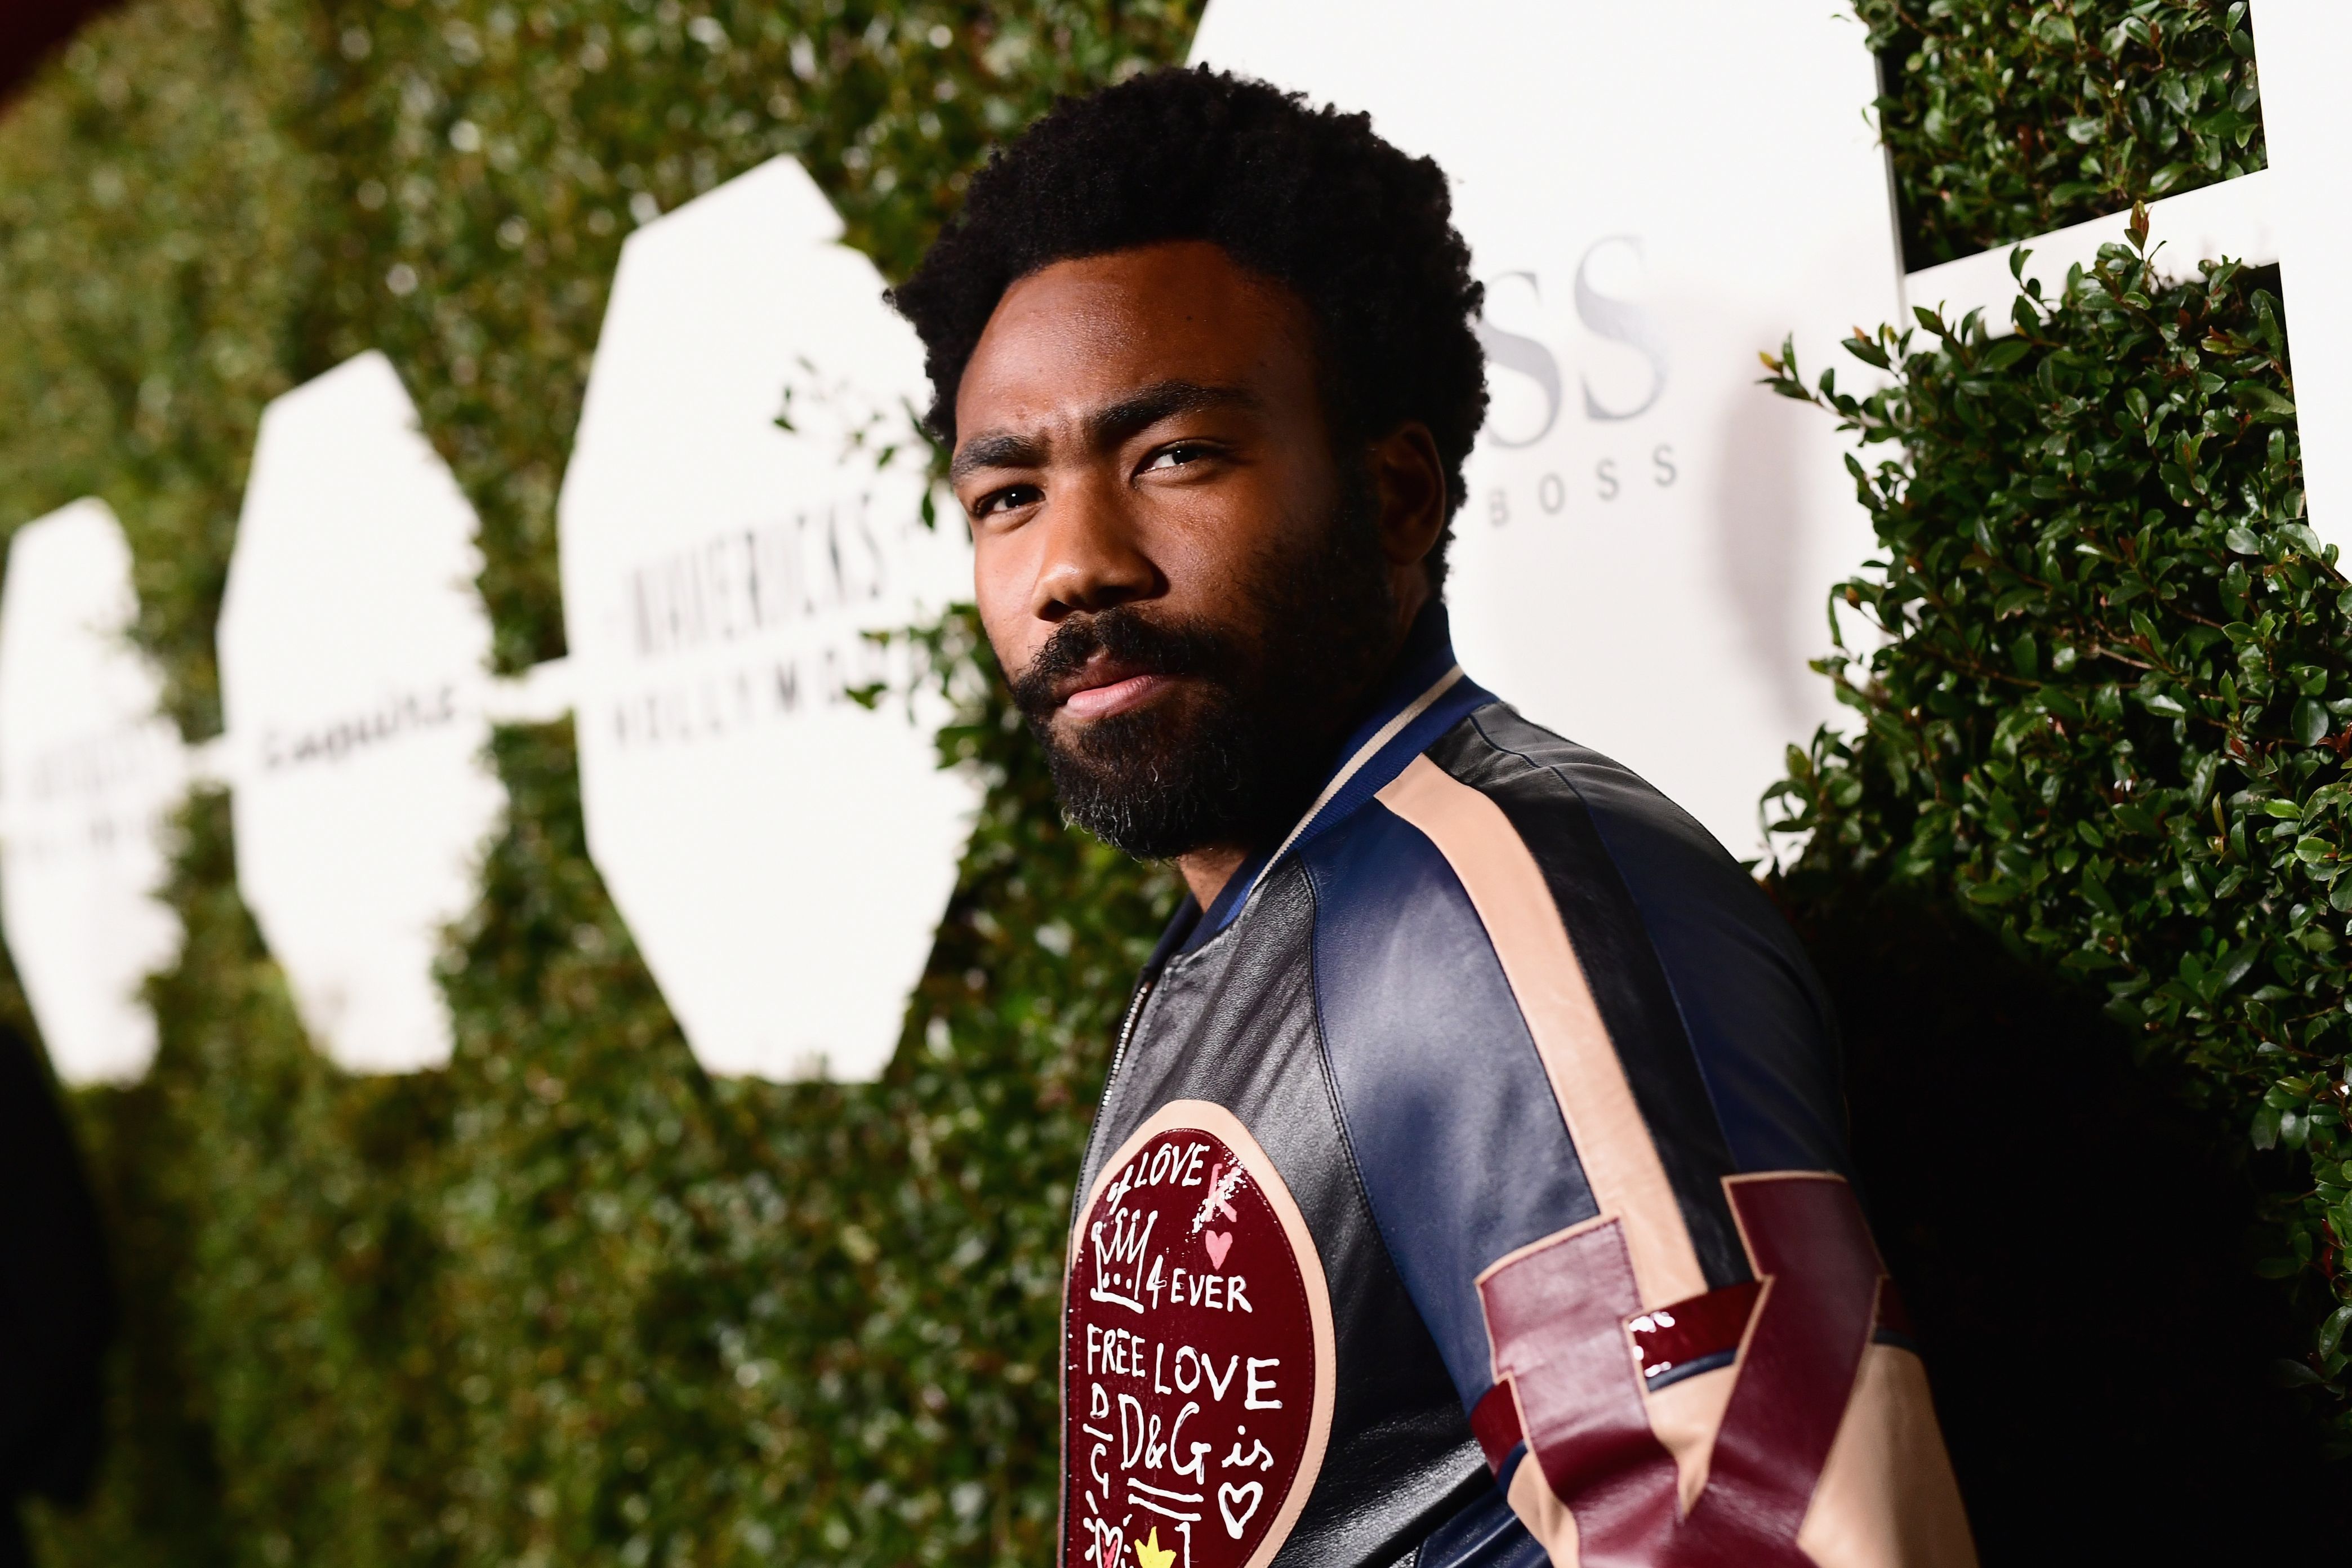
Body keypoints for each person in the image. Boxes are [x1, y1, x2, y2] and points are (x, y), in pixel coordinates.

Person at [892, 67, 1974, 1568]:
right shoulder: (1288, 904)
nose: (1073, 564)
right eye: (1008, 496)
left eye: (1175, 456)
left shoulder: (1482, 912)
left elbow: (1773, 1534)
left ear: (1399, 495)